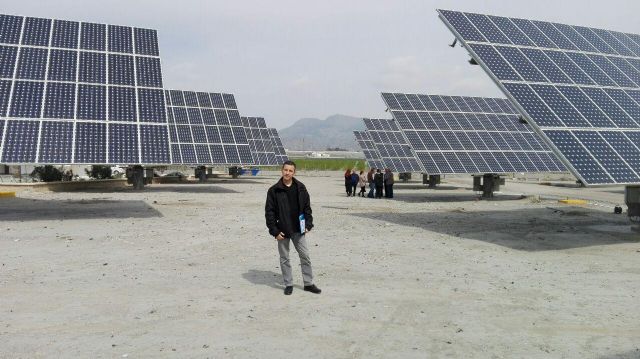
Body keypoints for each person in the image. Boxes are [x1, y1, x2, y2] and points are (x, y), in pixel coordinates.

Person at [265, 161, 321, 296]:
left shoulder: (301, 188)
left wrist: (308, 224)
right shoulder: (274, 190)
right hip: (282, 230)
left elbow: (307, 208)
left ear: (294, 172)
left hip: (298, 229)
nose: (287, 173)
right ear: (281, 171)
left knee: (305, 256)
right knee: (284, 258)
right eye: (285, 170)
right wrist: (275, 231)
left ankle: (308, 283)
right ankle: (288, 284)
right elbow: (269, 213)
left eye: (290, 171)